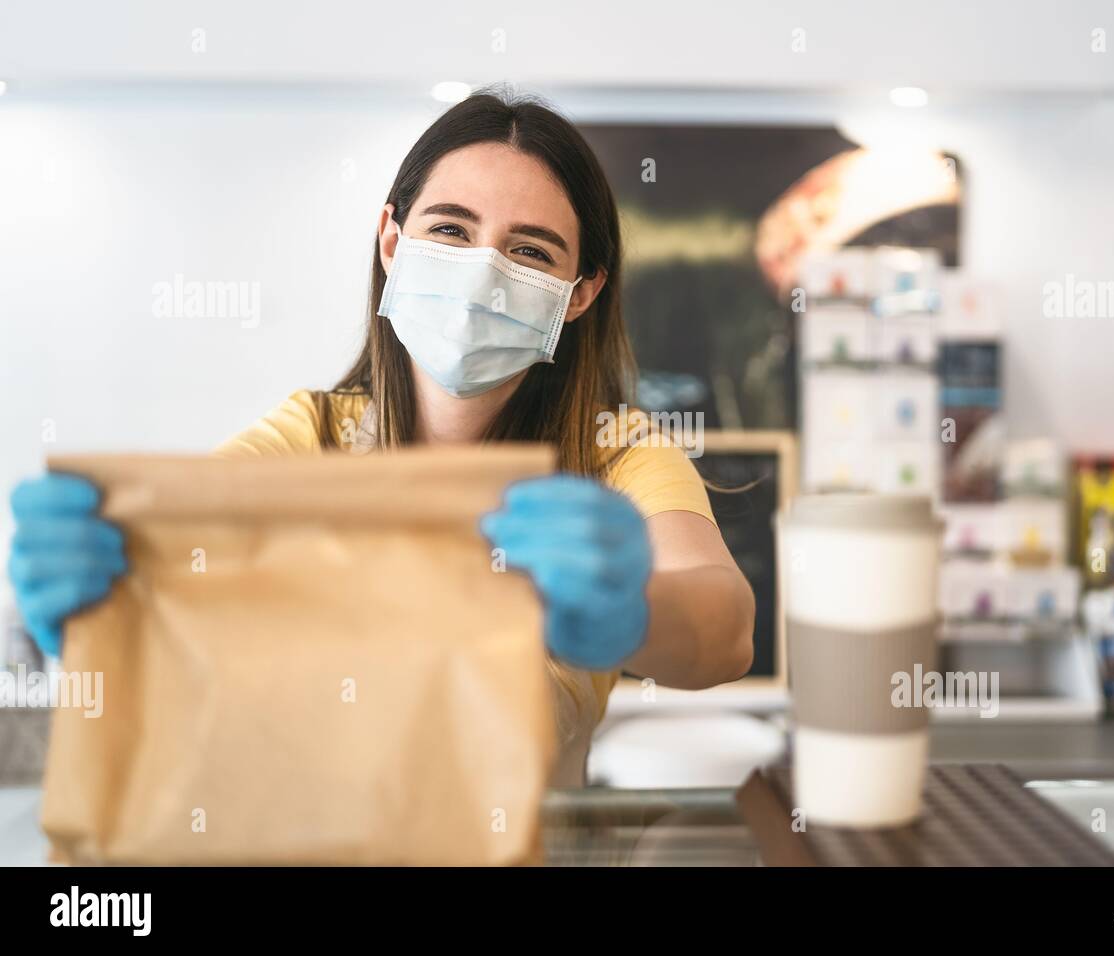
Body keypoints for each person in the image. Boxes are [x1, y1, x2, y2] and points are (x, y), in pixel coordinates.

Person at [7, 90, 756, 786]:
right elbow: (179, 568)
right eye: (451, 230)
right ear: (393, 242)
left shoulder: (616, 452)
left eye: (528, 251)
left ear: (580, 293)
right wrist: (109, 602)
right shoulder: (311, 436)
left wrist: (632, 610)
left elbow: (724, 629)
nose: (479, 273)